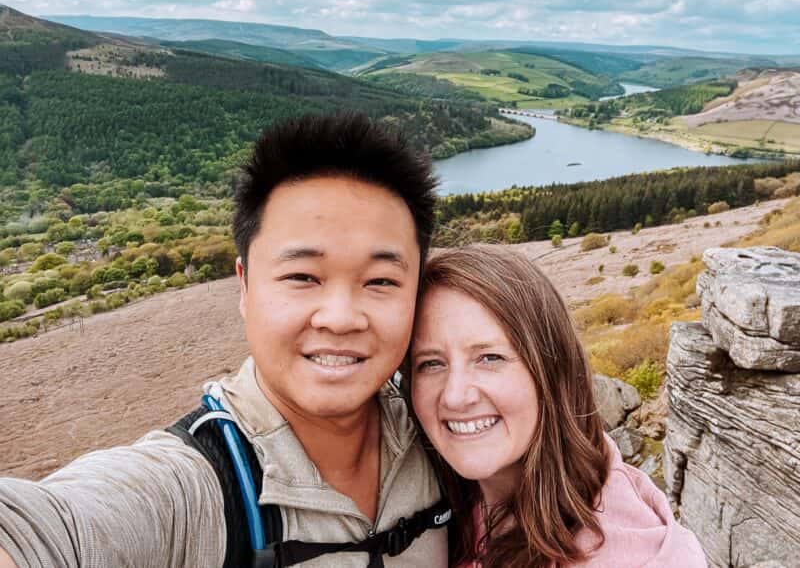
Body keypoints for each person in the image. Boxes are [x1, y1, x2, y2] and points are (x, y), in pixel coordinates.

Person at [0, 114, 449, 567]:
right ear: (245, 287)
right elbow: (49, 529)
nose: (340, 317)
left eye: (380, 281)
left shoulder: (442, 432)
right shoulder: (194, 487)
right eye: (301, 276)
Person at [409, 245, 706, 568]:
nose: (454, 396)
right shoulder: (468, 494)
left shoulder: (626, 558)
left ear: (552, 370)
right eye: (431, 363)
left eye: (489, 358)